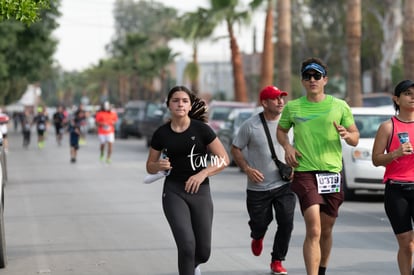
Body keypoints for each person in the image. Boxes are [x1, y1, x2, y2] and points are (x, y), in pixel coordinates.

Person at [276, 57, 360, 275]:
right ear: (303, 80)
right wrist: (287, 148)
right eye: (307, 76)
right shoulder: (293, 107)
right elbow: (281, 132)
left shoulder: (340, 106)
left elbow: (355, 137)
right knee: (313, 228)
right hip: (305, 172)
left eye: (317, 76)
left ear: (325, 79)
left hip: (331, 173)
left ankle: (321, 270)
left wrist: (346, 135)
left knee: (326, 229)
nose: (312, 80)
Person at [146, 86, 229, 275]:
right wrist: (158, 165)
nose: (180, 104)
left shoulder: (202, 130)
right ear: (168, 105)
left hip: (200, 192)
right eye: (175, 100)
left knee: (203, 252)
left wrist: (202, 174)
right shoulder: (161, 133)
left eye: (184, 100)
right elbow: (149, 165)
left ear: (190, 105)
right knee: (186, 245)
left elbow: (224, 159)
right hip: (174, 191)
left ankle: (192, 265)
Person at [231, 86, 296, 275]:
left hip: (284, 184)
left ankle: (277, 260)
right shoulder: (251, 125)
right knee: (260, 223)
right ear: (264, 103)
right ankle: (258, 236)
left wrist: (295, 168)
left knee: (286, 221)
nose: (281, 102)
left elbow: (299, 148)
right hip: (258, 188)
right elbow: (236, 148)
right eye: (275, 99)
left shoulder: (291, 124)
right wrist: (247, 169)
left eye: (282, 98)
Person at [372, 80, 414, 275]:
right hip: (397, 190)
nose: (412, 97)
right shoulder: (388, 127)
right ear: (396, 99)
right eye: (407, 93)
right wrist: (396, 153)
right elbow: (376, 159)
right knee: (406, 244)